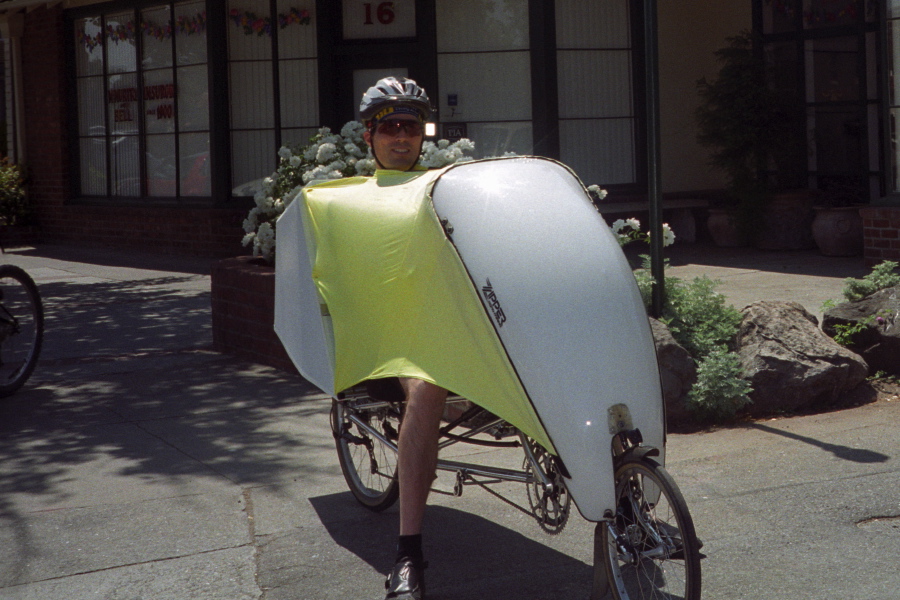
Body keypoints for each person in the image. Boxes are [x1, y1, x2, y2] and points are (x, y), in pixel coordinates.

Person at [359, 76, 447, 600]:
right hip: (392, 332)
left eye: (411, 128)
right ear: (368, 136)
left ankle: (619, 502)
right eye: (389, 127)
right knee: (429, 387)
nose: (401, 137)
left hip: (451, 321)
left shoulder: (444, 190)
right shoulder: (353, 200)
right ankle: (408, 553)